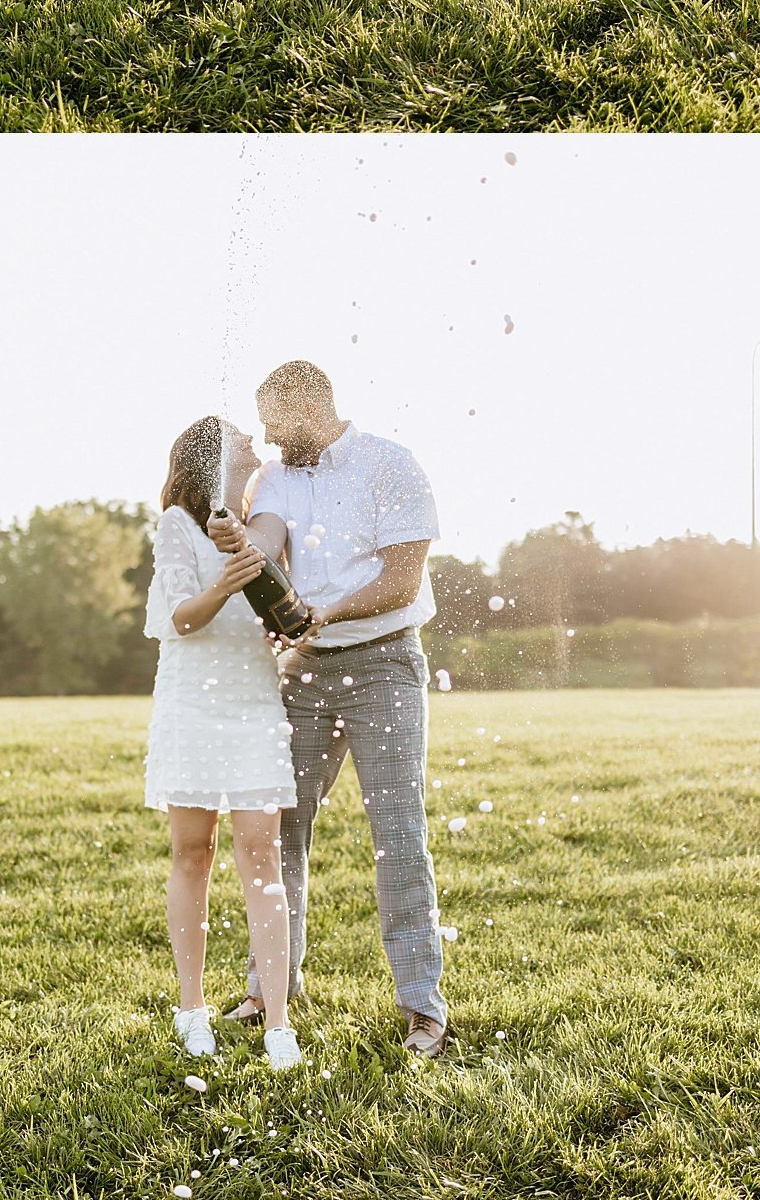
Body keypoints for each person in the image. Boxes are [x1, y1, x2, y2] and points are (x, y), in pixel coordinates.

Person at [206, 361, 450, 1057]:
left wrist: (327, 612)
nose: (271, 440)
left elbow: (402, 583)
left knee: (398, 835)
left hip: (384, 663)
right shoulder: (280, 475)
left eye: (279, 424)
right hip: (305, 673)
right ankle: (267, 993)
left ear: (313, 406)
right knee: (279, 831)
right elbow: (268, 540)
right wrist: (233, 538)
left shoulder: (391, 465)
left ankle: (422, 1010)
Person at [144, 414, 303, 1071]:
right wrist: (225, 581)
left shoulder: (264, 531)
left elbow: (286, 621)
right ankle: (191, 1009)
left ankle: (279, 1023)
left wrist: (288, 624)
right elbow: (182, 617)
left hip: (253, 706)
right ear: (212, 459)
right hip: (191, 708)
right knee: (193, 851)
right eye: (244, 442)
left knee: (260, 855)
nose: (256, 447)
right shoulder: (177, 526)